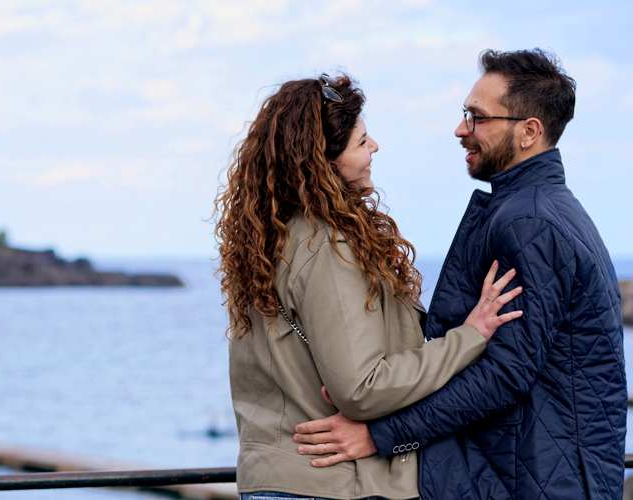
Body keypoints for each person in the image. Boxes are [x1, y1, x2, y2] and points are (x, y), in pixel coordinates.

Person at [293, 49, 626, 500]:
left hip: (534, 478)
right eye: (464, 114)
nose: (461, 129)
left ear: (529, 131)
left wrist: (382, 434)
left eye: (477, 117)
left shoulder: (528, 222)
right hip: (546, 470)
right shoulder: (546, 209)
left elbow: (505, 373)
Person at [214, 72, 523, 500]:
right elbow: (362, 389)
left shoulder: (270, 239)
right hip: (329, 484)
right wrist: (469, 337)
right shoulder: (325, 245)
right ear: (324, 162)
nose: (374, 147)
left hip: (280, 477)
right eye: (361, 142)